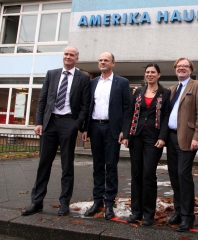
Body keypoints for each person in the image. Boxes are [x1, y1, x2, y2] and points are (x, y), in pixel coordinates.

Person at [22, 46, 91, 216]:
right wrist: (39, 122)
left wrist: (77, 124)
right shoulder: (52, 74)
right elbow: (43, 100)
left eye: (72, 55)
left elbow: (85, 105)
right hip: (50, 123)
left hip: (69, 122)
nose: (68, 57)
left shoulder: (83, 77)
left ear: (77, 59)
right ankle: (36, 202)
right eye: (66, 54)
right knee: (43, 164)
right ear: (63, 57)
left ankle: (64, 203)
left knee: (67, 165)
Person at [82, 52, 130, 220]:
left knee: (110, 166)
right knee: (97, 166)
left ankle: (109, 203)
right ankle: (97, 202)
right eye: (100, 60)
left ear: (113, 63)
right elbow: (88, 106)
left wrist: (124, 130)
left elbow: (127, 108)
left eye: (106, 60)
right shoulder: (93, 82)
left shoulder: (122, 82)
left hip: (112, 129)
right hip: (95, 127)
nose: (102, 62)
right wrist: (86, 128)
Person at [122, 63, 170, 226]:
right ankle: (136, 212)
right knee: (136, 174)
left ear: (159, 75)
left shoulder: (165, 93)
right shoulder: (138, 92)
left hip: (153, 138)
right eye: (147, 72)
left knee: (148, 174)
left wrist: (163, 137)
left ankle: (149, 214)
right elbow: (129, 114)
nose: (149, 74)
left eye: (153, 72)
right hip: (136, 137)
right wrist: (127, 134)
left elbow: (165, 117)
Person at [167, 58, 198, 232]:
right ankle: (178, 211)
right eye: (179, 66)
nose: (181, 68)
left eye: (185, 66)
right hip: (171, 138)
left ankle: (187, 217)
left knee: (184, 176)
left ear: (191, 70)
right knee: (174, 177)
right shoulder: (173, 89)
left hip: (188, 138)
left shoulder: (197, 86)